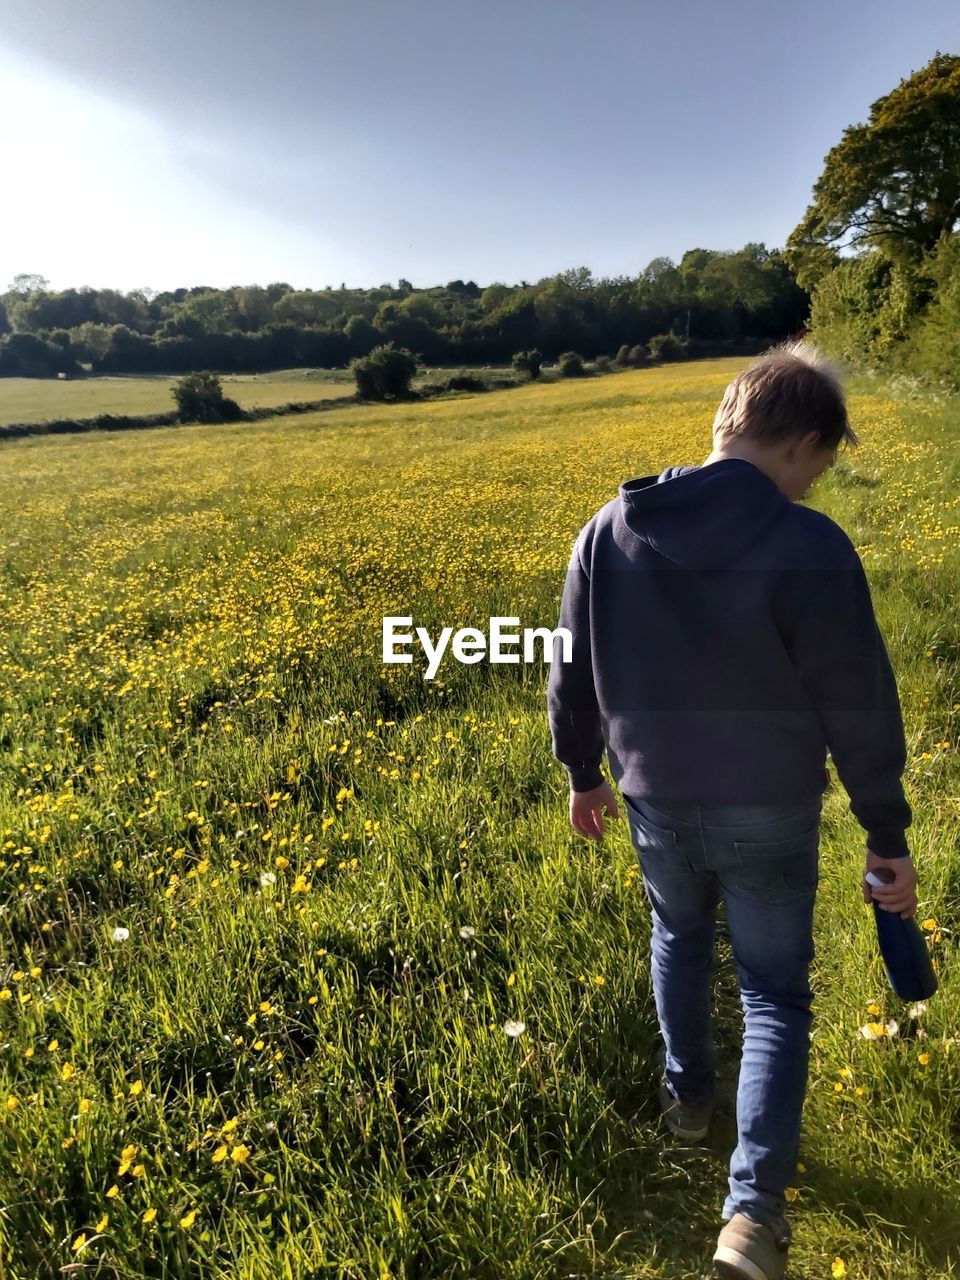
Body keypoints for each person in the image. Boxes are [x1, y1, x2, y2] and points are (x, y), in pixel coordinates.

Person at [545, 339, 919, 1280]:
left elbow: (570, 663)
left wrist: (583, 772)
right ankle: (751, 1219)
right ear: (801, 443)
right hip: (767, 808)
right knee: (774, 994)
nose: (814, 490)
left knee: (677, 936)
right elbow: (859, 701)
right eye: (819, 471)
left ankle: (688, 1102)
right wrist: (886, 833)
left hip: (652, 799)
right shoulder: (807, 545)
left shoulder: (608, 528)